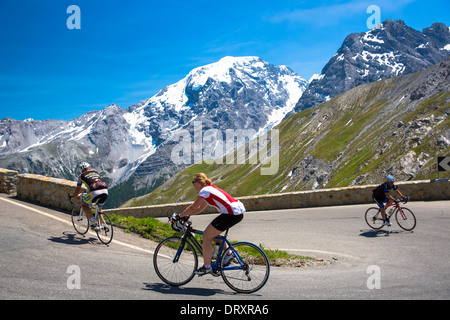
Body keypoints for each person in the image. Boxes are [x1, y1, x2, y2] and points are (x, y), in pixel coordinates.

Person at [171, 173, 246, 275]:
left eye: (193, 182)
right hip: (235, 212)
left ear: (198, 183)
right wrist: (186, 216)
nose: (192, 185)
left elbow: (194, 207)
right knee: (211, 235)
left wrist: (179, 216)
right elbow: (200, 209)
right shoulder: (209, 189)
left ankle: (207, 267)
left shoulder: (205, 191)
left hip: (231, 213)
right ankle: (228, 253)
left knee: (206, 236)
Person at [71, 162, 108, 230]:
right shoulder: (96, 173)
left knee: (83, 204)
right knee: (99, 209)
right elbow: (94, 184)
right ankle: (100, 225)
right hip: (105, 191)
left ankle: (93, 220)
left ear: (82, 170)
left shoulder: (81, 176)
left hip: (95, 192)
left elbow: (78, 188)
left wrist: (75, 196)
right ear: (89, 168)